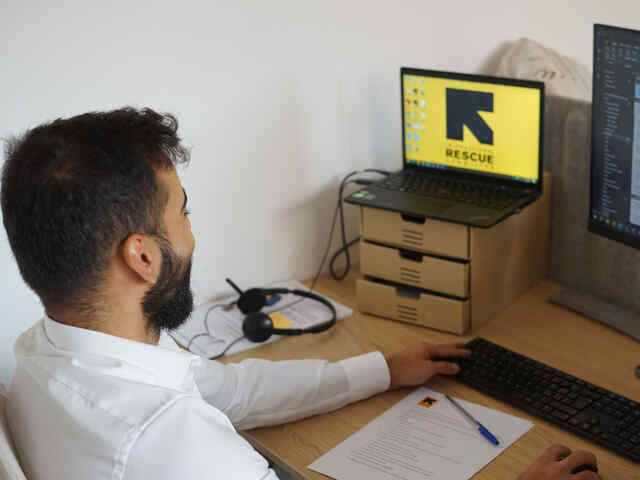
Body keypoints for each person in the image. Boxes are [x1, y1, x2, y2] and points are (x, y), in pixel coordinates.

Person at [1, 108, 600, 480]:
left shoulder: (48, 352)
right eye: (184, 212)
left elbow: (226, 388)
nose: (191, 229)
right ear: (142, 257)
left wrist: (381, 369)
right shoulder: (173, 444)